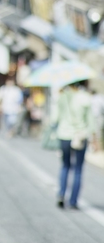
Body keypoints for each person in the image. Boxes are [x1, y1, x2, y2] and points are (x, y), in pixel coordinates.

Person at [52, 81, 96, 210]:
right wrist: (94, 137)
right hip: (80, 136)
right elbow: (91, 121)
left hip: (64, 134)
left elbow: (55, 118)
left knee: (65, 165)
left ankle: (61, 194)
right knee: (78, 169)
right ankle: (73, 200)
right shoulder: (85, 97)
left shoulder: (62, 96)